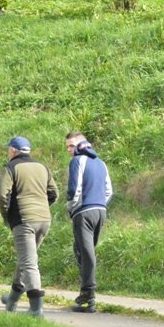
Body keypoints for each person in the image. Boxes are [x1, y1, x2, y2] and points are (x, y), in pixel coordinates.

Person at [0, 137, 58, 318]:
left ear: (13, 151)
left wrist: (7, 216)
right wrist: (42, 207)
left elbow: (1, 194)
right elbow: (54, 193)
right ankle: (12, 299)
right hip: (44, 220)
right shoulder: (42, 167)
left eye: (8, 149)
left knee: (29, 263)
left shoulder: (10, 168)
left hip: (24, 220)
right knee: (26, 259)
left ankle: (36, 309)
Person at [64, 132, 113, 313]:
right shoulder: (101, 163)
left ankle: (88, 296)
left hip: (84, 212)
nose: (69, 150)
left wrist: (72, 209)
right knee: (84, 251)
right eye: (67, 146)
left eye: (71, 146)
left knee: (85, 254)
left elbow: (74, 189)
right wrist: (100, 205)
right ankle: (87, 294)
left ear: (81, 145)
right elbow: (109, 191)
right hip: (100, 211)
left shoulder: (78, 161)